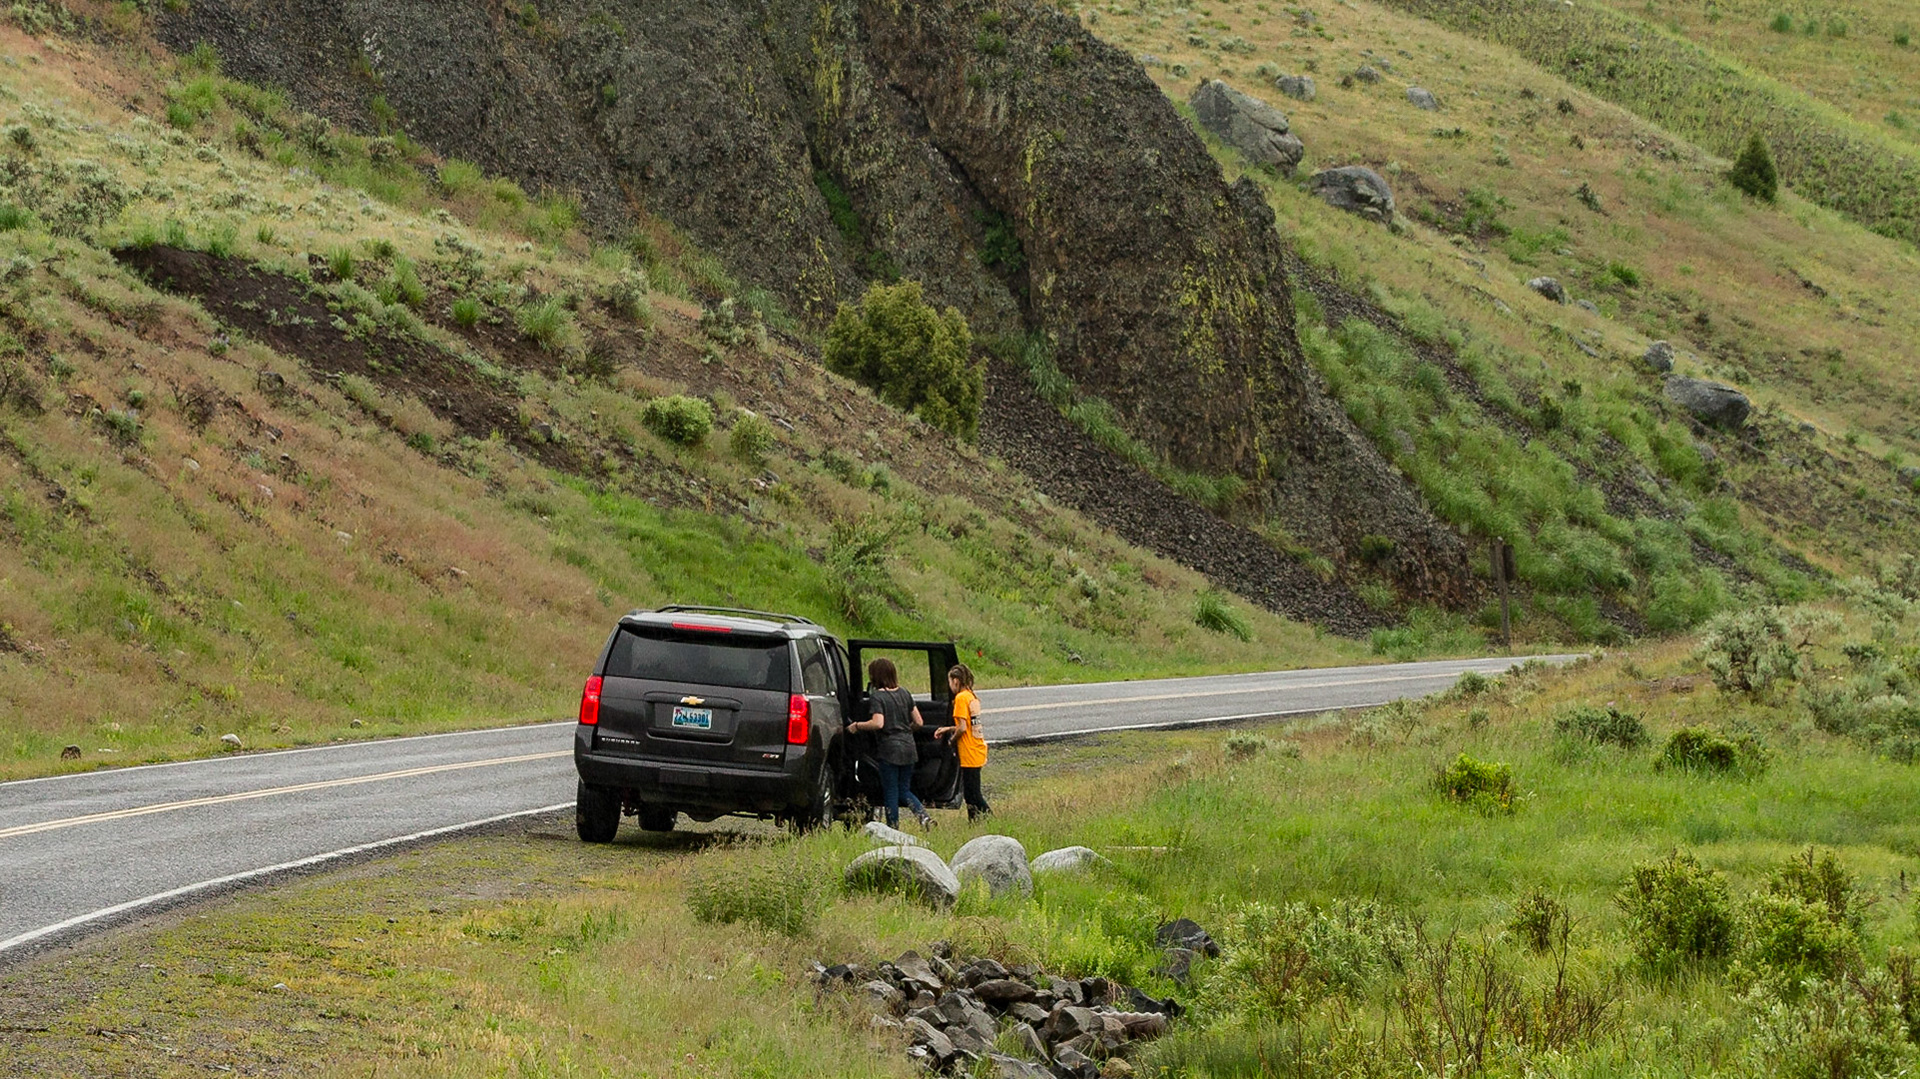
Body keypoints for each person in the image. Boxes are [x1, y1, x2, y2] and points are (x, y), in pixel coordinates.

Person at [846, 657, 934, 830]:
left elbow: (878, 723)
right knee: (904, 789)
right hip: (909, 747)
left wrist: (857, 726)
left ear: (875, 676)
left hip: (889, 749)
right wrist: (906, 730)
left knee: (891, 791)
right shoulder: (905, 693)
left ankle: (893, 828)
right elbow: (919, 722)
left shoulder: (878, 697)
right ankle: (923, 817)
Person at [935, 663, 990, 820]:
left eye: (950, 682)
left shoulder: (960, 698)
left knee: (973, 795)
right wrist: (946, 729)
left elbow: (962, 728)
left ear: (956, 681)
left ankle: (990, 818)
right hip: (977, 748)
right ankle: (974, 822)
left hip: (968, 752)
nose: (950, 686)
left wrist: (951, 740)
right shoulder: (971, 696)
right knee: (971, 793)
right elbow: (964, 724)